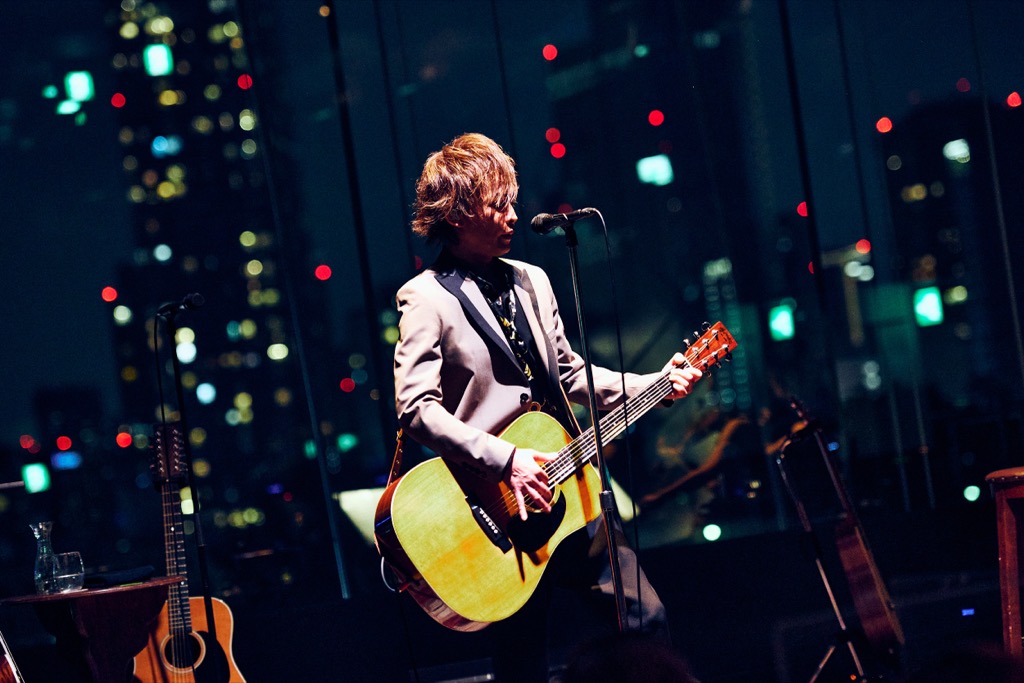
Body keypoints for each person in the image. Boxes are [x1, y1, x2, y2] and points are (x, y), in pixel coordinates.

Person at [392, 132, 702, 682]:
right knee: (522, 664)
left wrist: (654, 382)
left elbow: (571, 373)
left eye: (512, 201)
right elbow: (416, 408)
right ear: (458, 214)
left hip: (572, 491)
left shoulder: (531, 280)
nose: (513, 215)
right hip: (495, 515)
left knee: (646, 620)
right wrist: (507, 460)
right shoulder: (426, 297)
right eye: (498, 205)